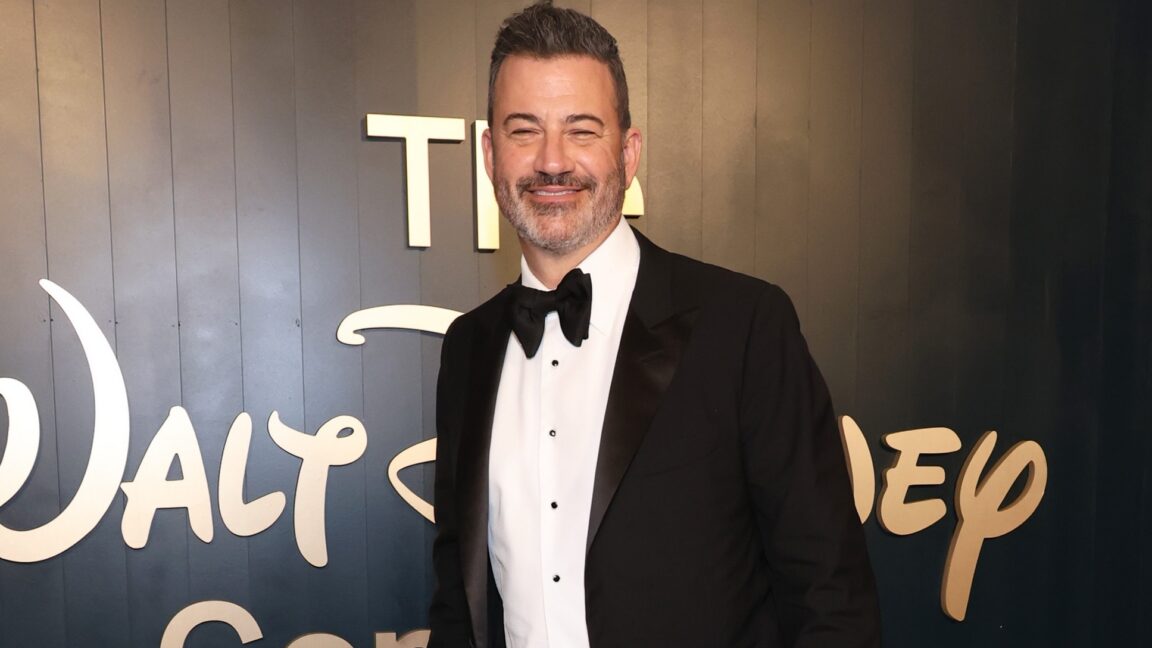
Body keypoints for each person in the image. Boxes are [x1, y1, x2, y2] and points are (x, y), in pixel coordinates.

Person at [429, 3, 881, 647]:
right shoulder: (468, 348)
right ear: (489, 152)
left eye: (582, 130)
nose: (552, 162)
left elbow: (830, 595)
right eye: (524, 130)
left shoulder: (745, 327)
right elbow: (457, 597)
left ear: (628, 150)